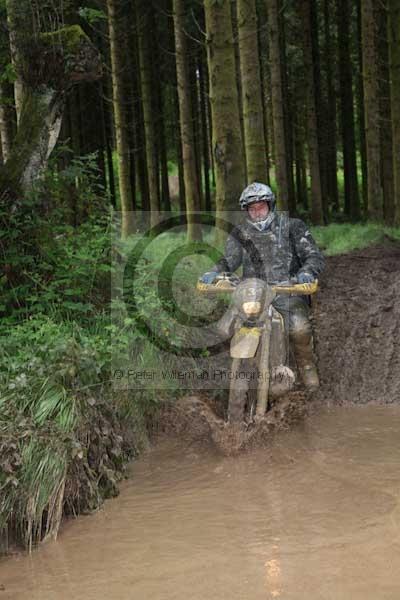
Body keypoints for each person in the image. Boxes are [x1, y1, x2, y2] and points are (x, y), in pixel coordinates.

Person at [200, 182, 325, 391]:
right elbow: (229, 261)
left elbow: (313, 256)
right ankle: (237, 365)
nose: (257, 211)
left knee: (300, 328)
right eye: (252, 208)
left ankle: (307, 366)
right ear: (246, 211)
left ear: (270, 205)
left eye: (261, 206)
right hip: (251, 293)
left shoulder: (293, 227)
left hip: (287, 291)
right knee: (224, 329)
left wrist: (306, 273)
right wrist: (213, 272)